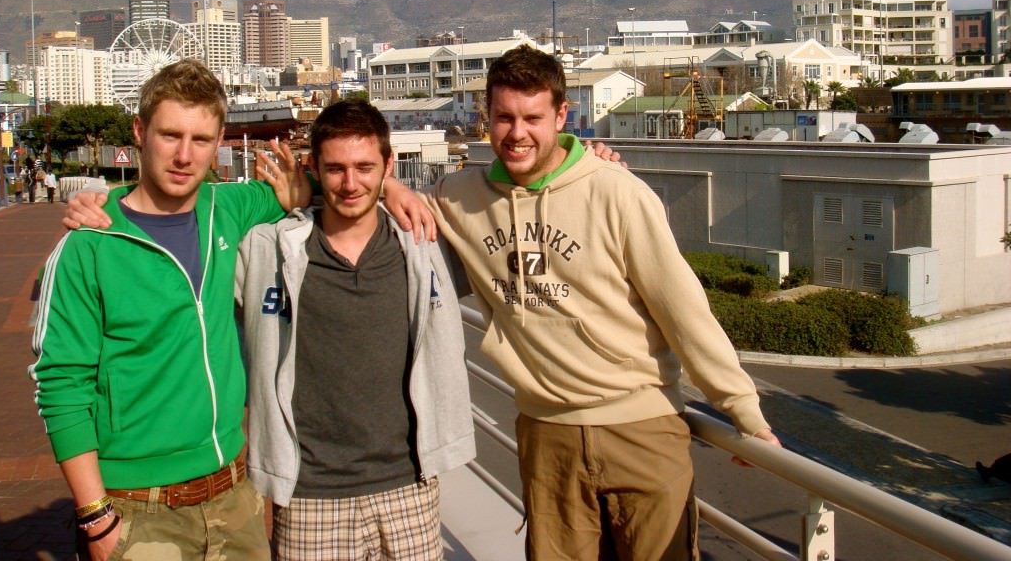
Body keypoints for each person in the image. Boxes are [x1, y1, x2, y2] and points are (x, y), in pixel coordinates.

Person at [47, 62, 434, 560]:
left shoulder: (229, 209)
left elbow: (340, 185)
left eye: (201, 140)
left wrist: (397, 188)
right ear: (140, 132)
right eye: (170, 135)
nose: (185, 155)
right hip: (136, 504)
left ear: (218, 144)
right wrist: (94, 512)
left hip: (234, 495)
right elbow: (61, 383)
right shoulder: (90, 244)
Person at [417, 44, 781, 560]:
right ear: (486, 117)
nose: (516, 133)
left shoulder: (617, 193)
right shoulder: (459, 197)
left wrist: (744, 412)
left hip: (642, 429)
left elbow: (683, 311)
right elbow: (373, 199)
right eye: (503, 118)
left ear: (562, 116)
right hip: (546, 439)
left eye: (532, 118)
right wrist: (391, 188)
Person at [235, 99, 474, 560]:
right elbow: (190, 220)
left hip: (410, 486)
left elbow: (510, 197)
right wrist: (100, 205)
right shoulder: (266, 247)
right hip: (307, 494)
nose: (350, 184)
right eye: (336, 169)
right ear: (314, 169)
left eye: (365, 167)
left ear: (389, 166)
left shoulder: (427, 241)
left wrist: (594, 161)